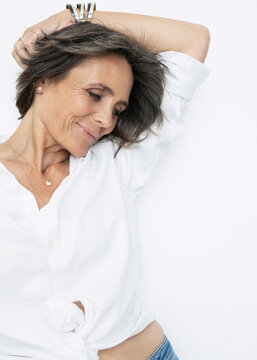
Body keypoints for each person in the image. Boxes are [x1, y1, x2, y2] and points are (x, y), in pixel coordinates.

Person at [0, 3, 210, 360]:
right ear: (43, 79)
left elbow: (193, 40)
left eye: (118, 109)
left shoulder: (116, 162)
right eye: (96, 94)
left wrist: (70, 19)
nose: (105, 121)